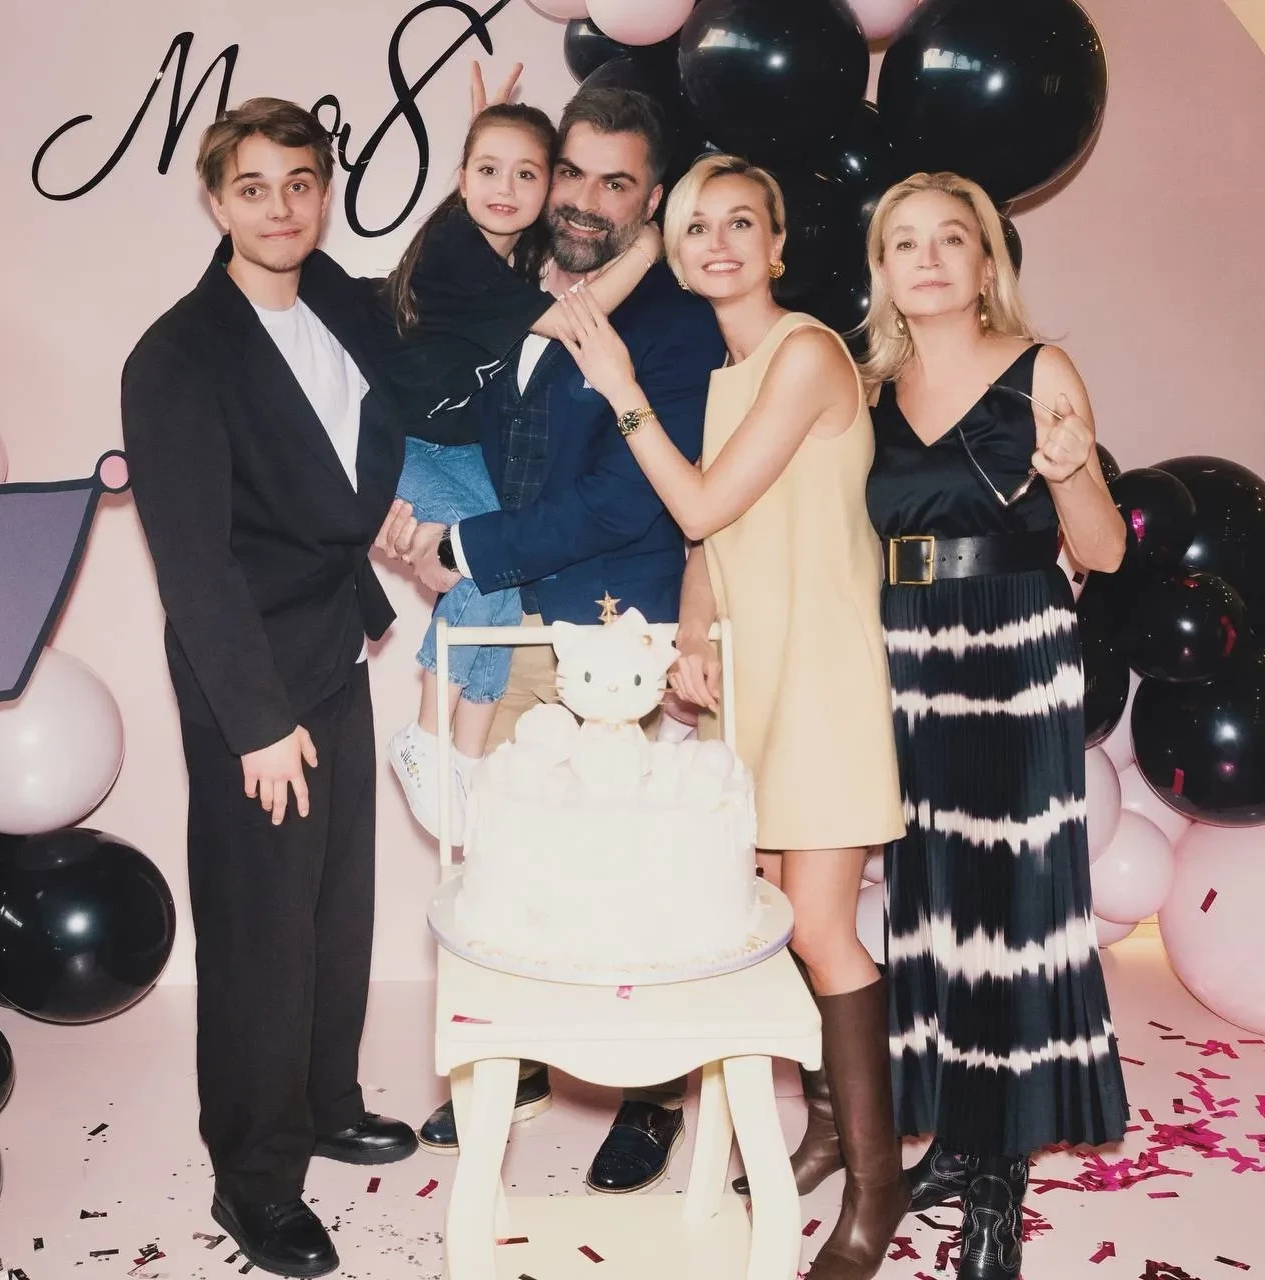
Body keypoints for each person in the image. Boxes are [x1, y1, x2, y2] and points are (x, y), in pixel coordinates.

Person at [555, 154, 908, 1280]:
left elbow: (700, 498)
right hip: (758, 676)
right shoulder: (727, 374)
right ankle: (827, 1131)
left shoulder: (805, 352)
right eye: (697, 224)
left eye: (739, 222)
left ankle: (877, 1187)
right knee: (777, 921)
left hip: (824, 672)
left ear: (776, 245)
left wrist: (620, 387)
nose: (716, 241)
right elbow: (711, 537)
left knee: (820, 931)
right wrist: (696, 638)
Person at [378, 85, 726, 1195]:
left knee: (632, 872)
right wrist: (413, 513)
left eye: (615, 183)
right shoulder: (511, 280)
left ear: (653, 200)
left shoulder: (674, 321)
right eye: (569, 171)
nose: (581, 199)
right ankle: (512, 1060)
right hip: (515, 621)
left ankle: (649, 1093)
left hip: (620, 627)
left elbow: (627, 499)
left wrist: (467, 548)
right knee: (511, 862)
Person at [121, 98, 417, 1280]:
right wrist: (255, 722)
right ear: (216, 200)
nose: (281, 207)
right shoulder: (177, 354)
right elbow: (192, 561)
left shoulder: (338, 299)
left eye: (300, 183)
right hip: (250, 678)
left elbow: (378, 418)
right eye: (253, 187)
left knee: (336, 911)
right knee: (259, 938)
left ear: (323, 192)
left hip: (334, 648)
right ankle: (253, 1179)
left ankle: (326, 1103)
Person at [861, 171, 1129, 1280]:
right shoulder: (864, 386)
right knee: (930, 902)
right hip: (906, 654)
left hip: (1015, 647)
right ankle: (958, 1136)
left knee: (1010, 908)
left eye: (949, 239)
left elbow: (1101, 551)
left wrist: (1071, 474)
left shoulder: (1040, 369)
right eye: (903, 243)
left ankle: (997, 1178)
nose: (926, 259)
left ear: (985, 264)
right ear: (881, 270)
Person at [379, 91, 661, 842]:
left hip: (460, 452)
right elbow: (575, 322)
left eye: (527, 174)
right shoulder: (456, 250)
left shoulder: (516, 258)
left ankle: (464, 757)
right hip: (411, 446)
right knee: (479, 563)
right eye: (488, 170)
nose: (506, 189)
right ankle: (425, 736)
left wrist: (497, 139)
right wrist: (647, 247)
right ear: (460, 177)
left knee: (490, 569)